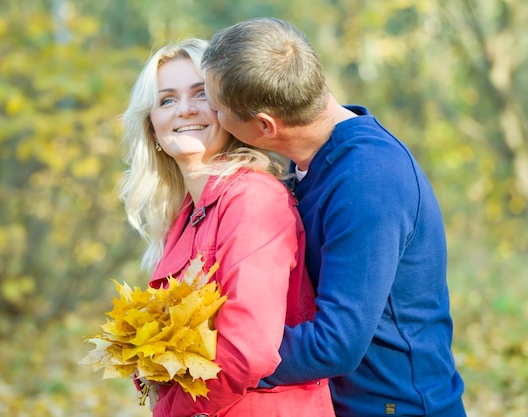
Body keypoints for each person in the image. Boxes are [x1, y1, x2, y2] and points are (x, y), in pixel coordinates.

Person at [202, 17, 467, 417]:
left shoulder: (369, 182)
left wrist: (204, 356)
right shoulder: (305, 164)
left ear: (264, 126)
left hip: (395, 406)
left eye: (216, 108)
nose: (207, 114)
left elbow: (336, 344)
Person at [118, 38, 335, 417]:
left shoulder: (253, 200)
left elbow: (246, 349)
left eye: (200, 94)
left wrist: (170, 410)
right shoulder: (183, 214)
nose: (184, 110)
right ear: (152, 128)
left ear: (226, 109)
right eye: (166, 100)